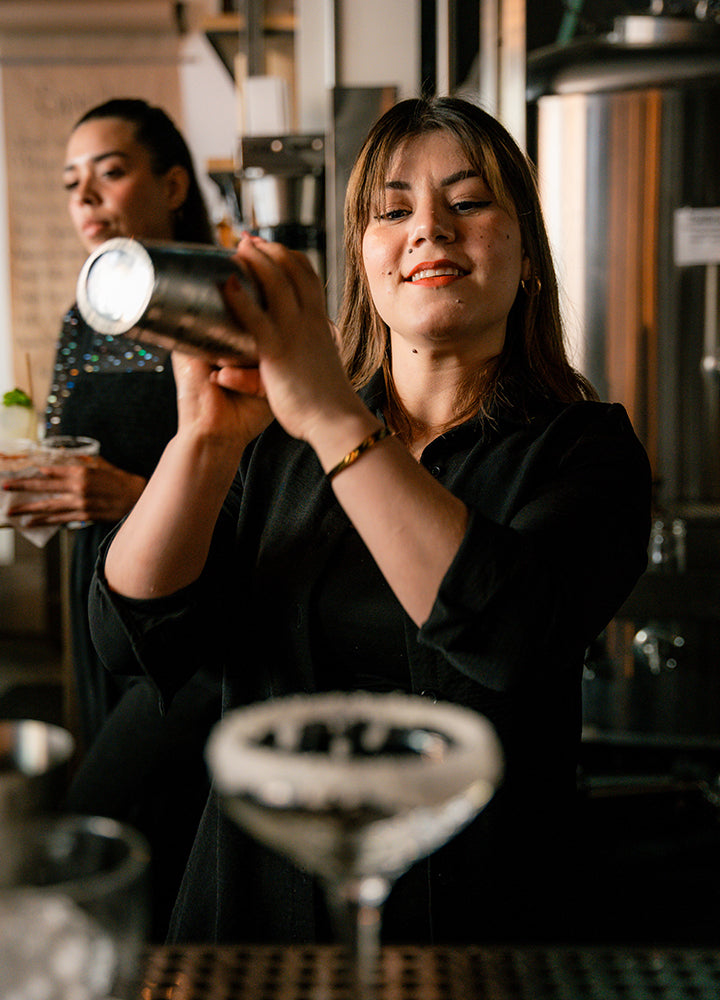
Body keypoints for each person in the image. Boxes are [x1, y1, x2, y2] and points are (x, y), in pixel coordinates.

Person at [88, 96, 652, 945]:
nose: (429, 228)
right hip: (250, 924)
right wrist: (203, 442)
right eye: (393, 211)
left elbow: (506, 630)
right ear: (364, 257)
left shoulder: (586, 451)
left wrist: (330, 417)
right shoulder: (277, 443)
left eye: (468, 202)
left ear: (528, 252)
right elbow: (130, 635)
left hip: (471, 942)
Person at [3, 98, 222, 936]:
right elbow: (66, 454)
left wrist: (134, 497)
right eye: (70, 184)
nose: (86, 197)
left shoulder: (223, 304)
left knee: (131, 817)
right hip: (96, 596)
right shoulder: (83, 317)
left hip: (198, 620)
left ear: (172, 184)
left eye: (111, 171)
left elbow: (274, 493)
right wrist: (33, 486)